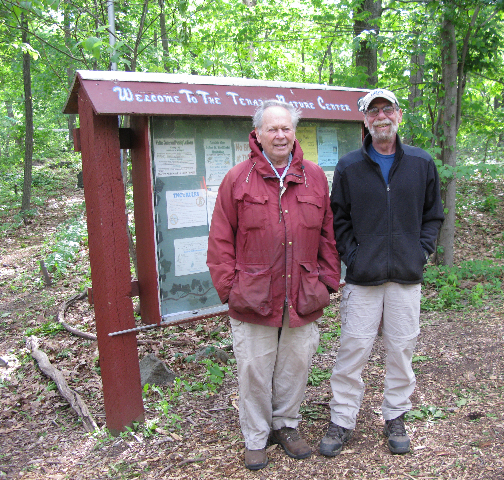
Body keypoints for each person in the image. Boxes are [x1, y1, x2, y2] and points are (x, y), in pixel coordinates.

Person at [207, 99, 341, 470]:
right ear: (258, 134)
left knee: (296, 365)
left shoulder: (314, 176)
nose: (280, 135)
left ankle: (286, 424)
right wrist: (230, 289)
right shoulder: (238, 179)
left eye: (286, 128)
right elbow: (220, 241)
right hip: (253, 295)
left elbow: (328, 236)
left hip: (302, 293)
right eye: (272, 129)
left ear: (294, 132)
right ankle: (255, 436)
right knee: (253, 368)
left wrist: (327, 282)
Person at [319, 88, 444, 457]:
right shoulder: (350, 166)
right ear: (365, 120)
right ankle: (342, 420)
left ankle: (396, 415)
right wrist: (352, 257)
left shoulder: (421, 164)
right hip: (364, 277)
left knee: (402, 349)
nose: (381, 117)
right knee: (353, 349)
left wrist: (420, 252)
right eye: (373, 112)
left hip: (406, 276)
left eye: (386, 109)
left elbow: (433, 214)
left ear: (399, 115)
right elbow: (337, 218)